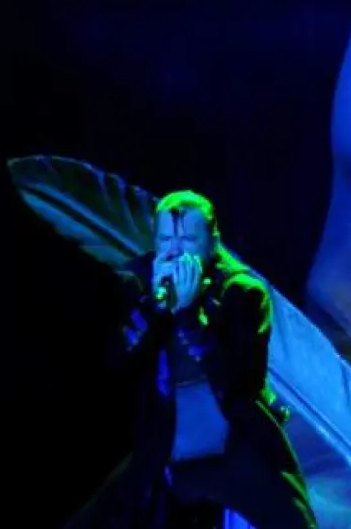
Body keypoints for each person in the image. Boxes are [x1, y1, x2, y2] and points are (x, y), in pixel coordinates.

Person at [68, 190, 317, 529]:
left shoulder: (243, 292)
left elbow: (240, 385)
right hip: (164, 445)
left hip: (235, 443)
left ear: (213, 242)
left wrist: (189, 316)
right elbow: (112, 361)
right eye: (166, 239)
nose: (175, 251)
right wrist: (153, 309)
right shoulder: (136, 280)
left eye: (188, 240)